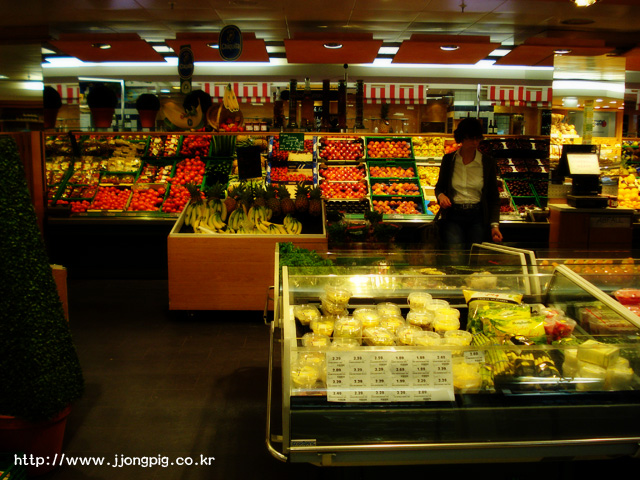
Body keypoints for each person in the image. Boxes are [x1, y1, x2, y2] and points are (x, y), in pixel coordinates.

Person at [434, 117, 503, 258]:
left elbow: (493, 198)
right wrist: (441, 196)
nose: (475, 143)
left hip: (477, 217)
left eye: (478, 138)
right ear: (461, 138)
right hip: (453, 216)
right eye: (471, 139)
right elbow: (439, 187)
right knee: (455, 257)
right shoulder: (449, 160)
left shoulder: (487, 162)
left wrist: (494, 225)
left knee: (474, 258)